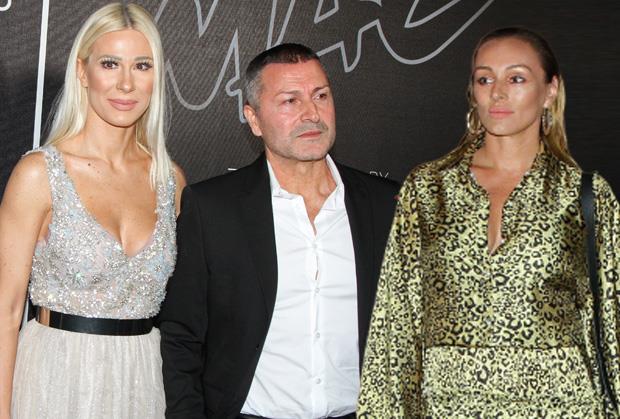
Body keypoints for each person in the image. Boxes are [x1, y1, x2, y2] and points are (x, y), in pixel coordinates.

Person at [357, 26, 620, 417]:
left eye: (516, 78)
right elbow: (396, 322)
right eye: (484, 79)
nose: (497, 92)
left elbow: (613, 322)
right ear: (472, 91)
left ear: (550, 90)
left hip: (562, 406)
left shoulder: (584, 195)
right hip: (449, 407)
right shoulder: (428, 189)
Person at [158, 43, 399, 419]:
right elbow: (181, 336)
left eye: (321, 96)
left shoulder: (386, 203)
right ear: (253, 119)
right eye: (290, 101)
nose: (312, 113)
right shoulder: (213, 208)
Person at [0, 3, 185, 418]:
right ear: (83, 73)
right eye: (110, 64)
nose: (126, 83)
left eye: (142, 66)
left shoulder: (170, 181)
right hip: (54, 378)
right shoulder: (39, 174)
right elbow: (5, 312)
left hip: (141, 382)